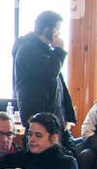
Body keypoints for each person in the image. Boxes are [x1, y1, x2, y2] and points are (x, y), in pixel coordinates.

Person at [12, 10, 76, 146]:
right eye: (57, 32)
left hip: (53, 119)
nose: (59, 36)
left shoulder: (44, 50)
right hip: (39, 119)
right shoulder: (27, 49)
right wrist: (59, 51)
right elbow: (49, 74)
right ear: (47, 30)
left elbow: (58, 84)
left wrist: (65, 116)